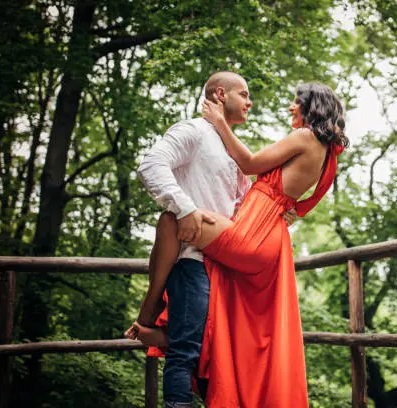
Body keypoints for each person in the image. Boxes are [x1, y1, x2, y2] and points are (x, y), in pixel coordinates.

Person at [131, 82, 348, 408]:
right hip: (265, 233)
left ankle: (149, 312)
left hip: (255, 236)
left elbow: (249, 163)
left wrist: (219, 122)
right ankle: (162, 333)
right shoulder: (323, 148)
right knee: (223, 302)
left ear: (311, 106)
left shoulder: (305, 136)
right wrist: (292, 210)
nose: (291, 107)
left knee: (174, 219)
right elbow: (308, 192)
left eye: (295, 102)